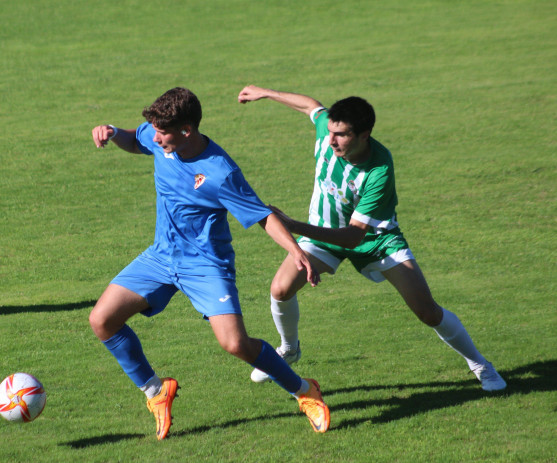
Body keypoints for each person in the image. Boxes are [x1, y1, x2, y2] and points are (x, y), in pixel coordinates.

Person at [89, 87, 330, 439]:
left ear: (186, 131)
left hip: (205, 265)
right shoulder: (159, 138)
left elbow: (263, 216)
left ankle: (304, 390)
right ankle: (156, 392)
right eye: (154, 129)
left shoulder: (220, 172)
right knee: (102, 320)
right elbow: (134, 139)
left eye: (162, 132)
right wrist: (112, 132)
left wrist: (296, 252)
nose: (155, 137)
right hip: (160, 256)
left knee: (235, 344)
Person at [237, 85, 506, 392]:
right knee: (280, 288)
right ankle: (289, 349)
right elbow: (310, 106)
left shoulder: (379, 169)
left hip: (376, 240)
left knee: (427, 311)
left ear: (364, 135)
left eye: (341, 135)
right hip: (324, 233)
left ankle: (480, 364)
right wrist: (265, 93)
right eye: (331, 132)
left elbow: (353, 236)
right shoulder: (330, 130)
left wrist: (293, 225)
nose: (331, 140)